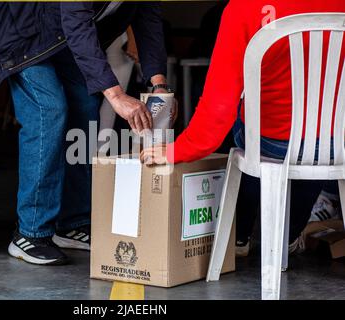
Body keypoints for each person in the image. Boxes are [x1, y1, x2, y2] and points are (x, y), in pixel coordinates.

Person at [141, 0, 345, 256]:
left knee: (244, 130)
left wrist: (178, 150)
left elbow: (218, 107)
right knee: (316, 145)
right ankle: (290, 234)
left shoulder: (244, 8)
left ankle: (240, 235)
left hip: (273, 141)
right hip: (337, 141)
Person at [0, 2, 169, 265]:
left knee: (85, 105)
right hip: (22, 28)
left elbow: (147, 18)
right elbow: (76, 18)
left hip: (59, 32)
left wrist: (159, 84)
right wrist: (116, 95)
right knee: (49, 109)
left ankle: (72, 223)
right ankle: (30, 233)